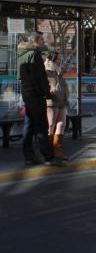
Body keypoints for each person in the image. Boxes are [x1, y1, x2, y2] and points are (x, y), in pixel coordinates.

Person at [17, 32, 62, 166]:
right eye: (42, 40)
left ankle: (29, 156)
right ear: (36, 40)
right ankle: (49, 157)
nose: (43, 42)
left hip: (27, 93)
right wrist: (46, 93)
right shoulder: (34, 54)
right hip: (36, 95)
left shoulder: (22, 53)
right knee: (42, 126)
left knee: (29, 125)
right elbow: (39, 77)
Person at [45, 51, 69, 161]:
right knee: (51, 125)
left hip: (61, 100)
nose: (60, 61)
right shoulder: (46, 71)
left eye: (60, 59)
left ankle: (57, 149)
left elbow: (62, 83)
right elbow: (44, 84)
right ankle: (49, 150)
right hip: (52, 101)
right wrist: (49, 89)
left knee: (62, 124)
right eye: (58, 59)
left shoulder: (58, 71)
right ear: (52, 59)